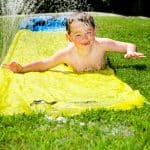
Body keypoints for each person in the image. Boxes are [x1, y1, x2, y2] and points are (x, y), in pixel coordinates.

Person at [2, 12, 145, 73]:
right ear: (69, 37)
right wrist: (23, 68)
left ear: (95, 32)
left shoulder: (101, 44)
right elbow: (45, 64)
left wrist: (130, 52)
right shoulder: (67, 54)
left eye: (88, 33)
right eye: (78, 35)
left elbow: (128, 44)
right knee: (65, 54)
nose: (85, 38)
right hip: (72, 52)